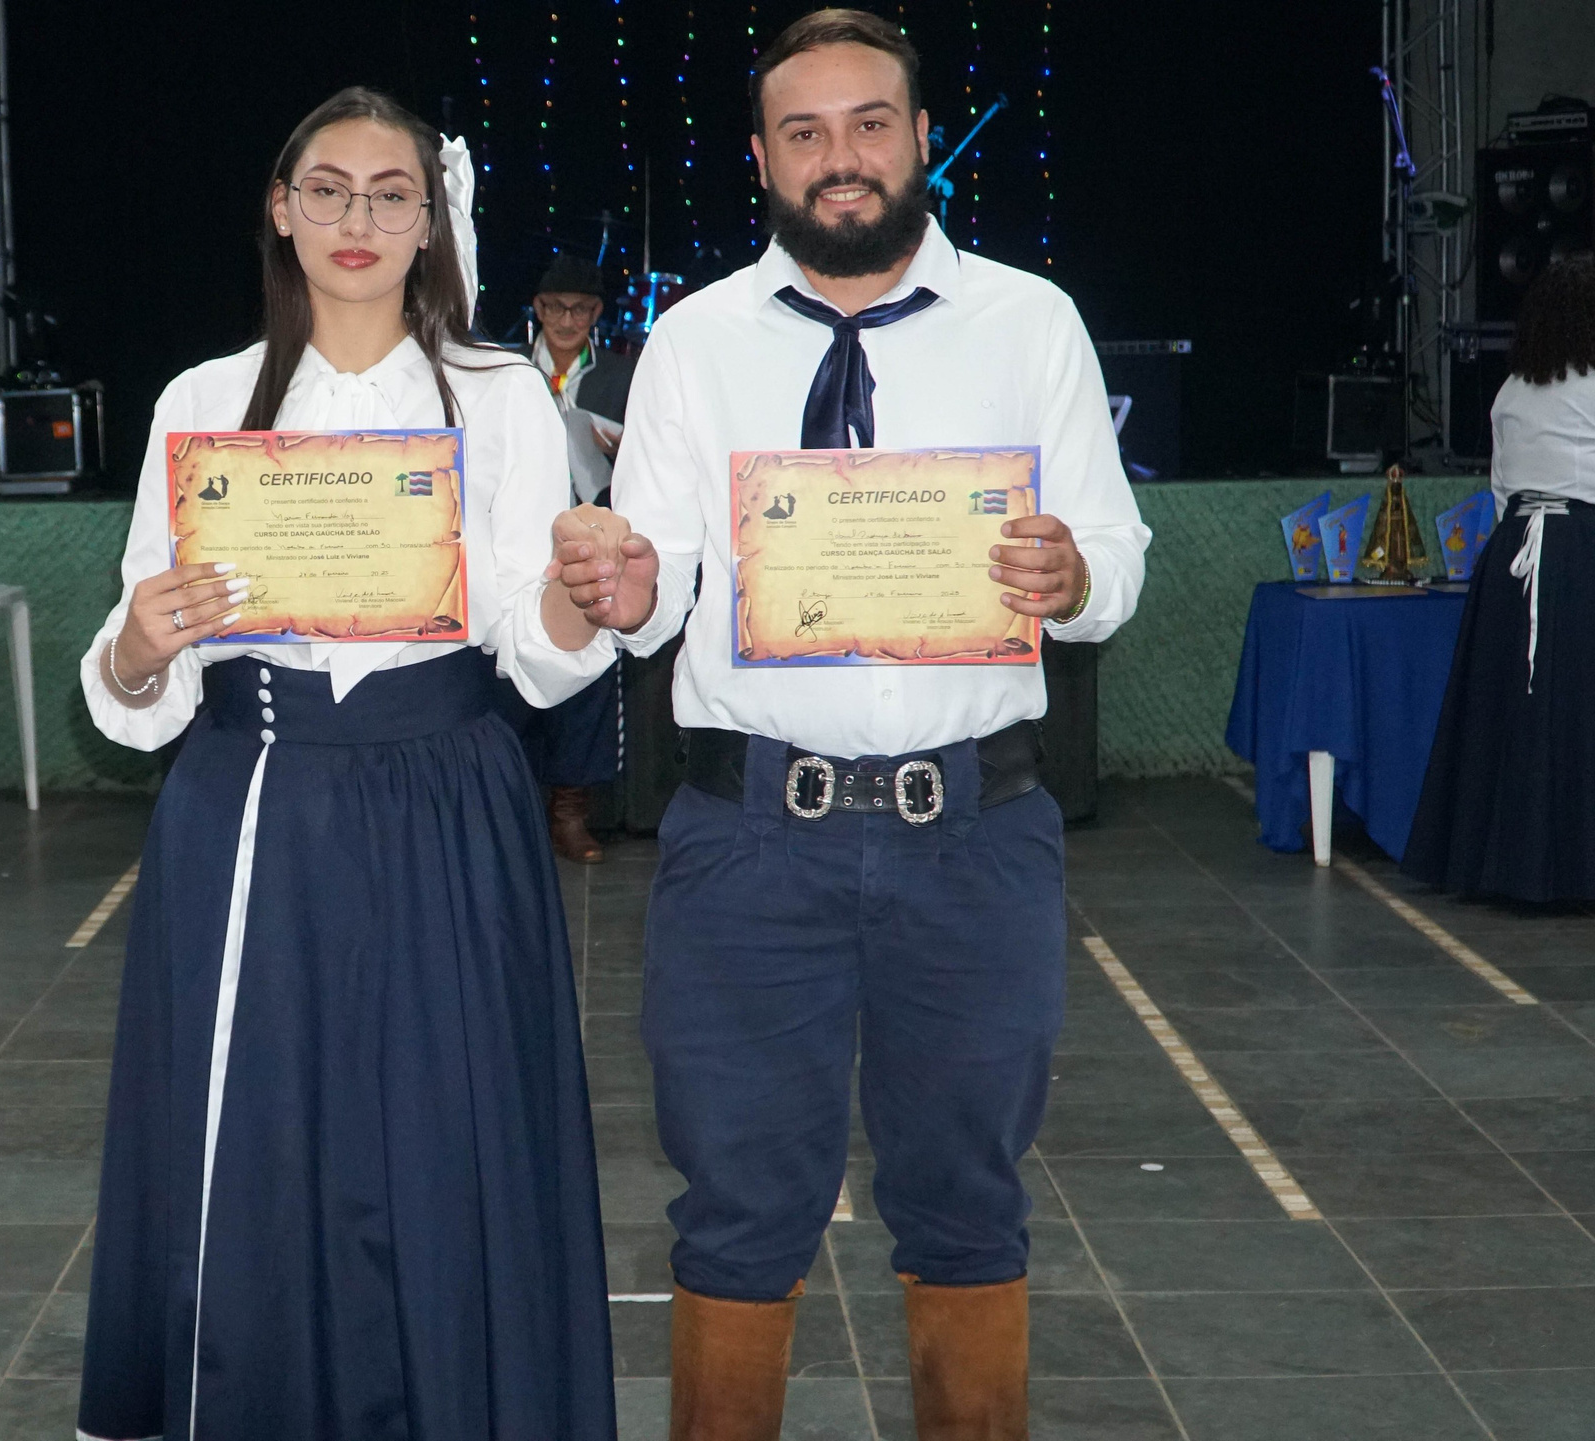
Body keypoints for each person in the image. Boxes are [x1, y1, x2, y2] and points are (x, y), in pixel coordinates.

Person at [554, 11, 1150, 1438]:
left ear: (922, 137)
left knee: (966, 1204)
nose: (842, 160)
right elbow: (657, 586)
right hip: (752, 845)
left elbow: (1115, 567)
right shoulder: (693, 339)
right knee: (738, 1210)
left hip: (977, 841)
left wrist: (1070, 573)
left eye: (870, 124)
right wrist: (627, 584)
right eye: (806, 134)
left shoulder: (1033, 322)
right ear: (763, 159)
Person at [75, 87, 619, 1441]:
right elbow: (136, 679)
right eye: (329, 188)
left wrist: (580, 597)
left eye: (390, 192)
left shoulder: (500, 399)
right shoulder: (202, 401)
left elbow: (535, 655)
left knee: (450, 1146)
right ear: (281, 208)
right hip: (252, 803)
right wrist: (139, 647)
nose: (357, 219)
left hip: (451, 803)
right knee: (255, 1151)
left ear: (432, 218)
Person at [1405, 256, 1595, 901]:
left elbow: (1501, 488)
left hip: (1513, 555)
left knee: (1517, 712)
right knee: (1570, 710)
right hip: (1578, 550)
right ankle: (1569, 870)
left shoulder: (1513, 390)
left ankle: (1504, 865)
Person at [509, 252, 641, 861]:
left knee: (585, 673)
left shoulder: (623, 375)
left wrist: (621, 451)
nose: (567, 319)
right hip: (513, 543)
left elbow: (654, 467)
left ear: (597, 314)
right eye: (555, 307)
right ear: (536, 309)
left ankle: (570, 813)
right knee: (505, 671)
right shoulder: (503, 372)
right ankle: (509, 811)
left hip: (588, 542)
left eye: (581, 308)